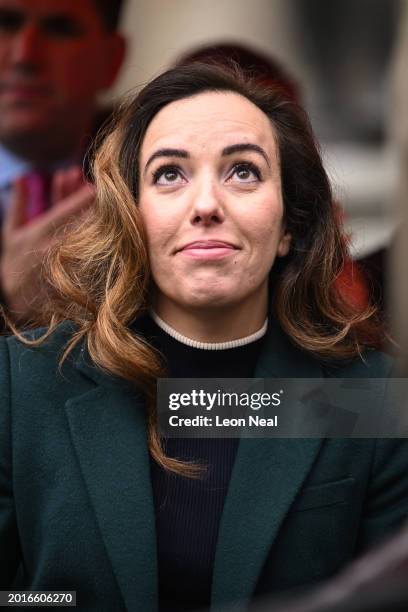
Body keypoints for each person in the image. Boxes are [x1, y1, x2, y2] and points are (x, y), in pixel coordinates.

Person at [0, 63, 407, 612]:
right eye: (170, 174)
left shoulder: (371, 400)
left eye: (243, 171)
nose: (207, 205)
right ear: (131, 216)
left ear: (289, 223)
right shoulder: (20, 385)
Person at [0, 0, 126, 324]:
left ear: (112, 60)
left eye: (60, 29)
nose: (26, 55)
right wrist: (9, 305)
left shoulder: (145, 195)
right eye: (6, 22)